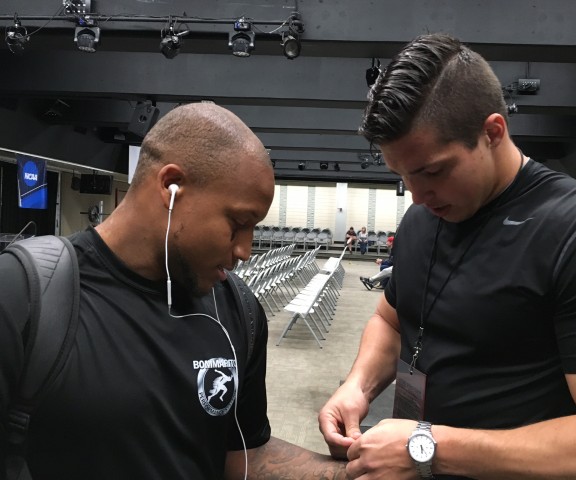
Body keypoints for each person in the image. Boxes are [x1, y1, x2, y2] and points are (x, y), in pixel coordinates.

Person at [318, 33, 576, 479]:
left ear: (492, 132)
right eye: (403, 177)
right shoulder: (422, 218)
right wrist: (358, 386)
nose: (417, 195)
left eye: (433, 171)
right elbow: (392, 320)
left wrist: (424, 445)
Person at [1, 103, 346, 480]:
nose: (245, 251)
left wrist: (353, 473)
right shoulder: (26, 293)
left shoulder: (239, 310)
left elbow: (243, 456)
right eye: (238, 224)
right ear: (171, 187)